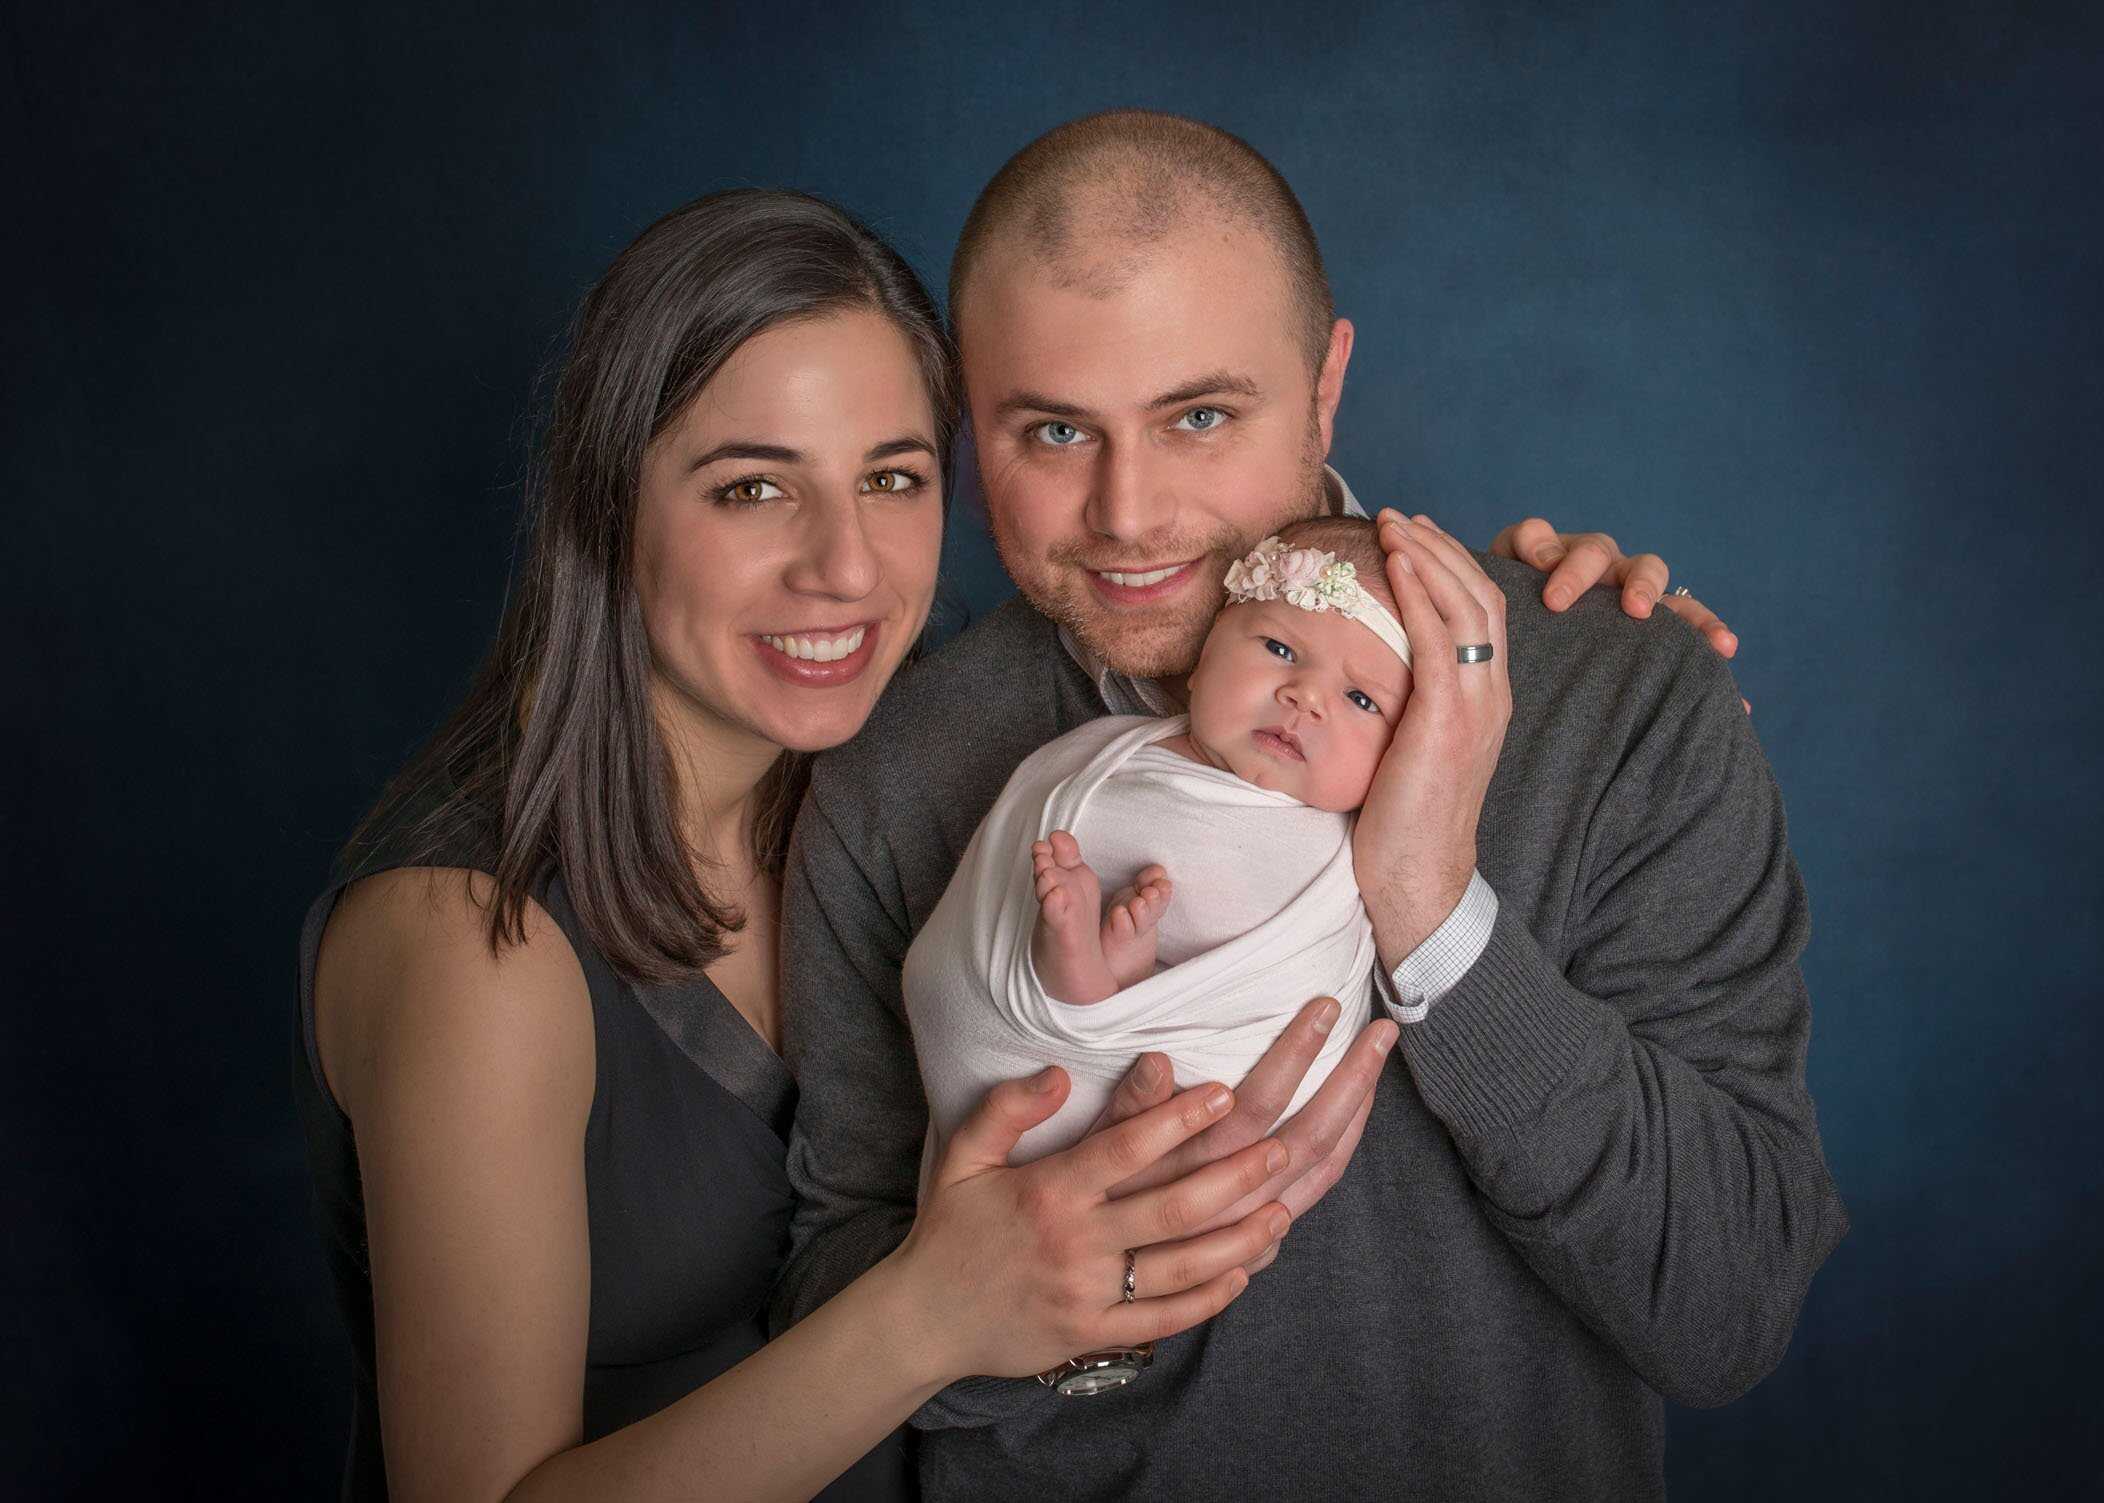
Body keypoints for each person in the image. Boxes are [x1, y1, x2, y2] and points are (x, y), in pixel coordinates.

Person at [293, 186, 1682, 1501]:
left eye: (891, 477)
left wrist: (1567, 646)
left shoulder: (874, 778)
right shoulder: (469, 940)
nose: (845, 566)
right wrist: (935, 1312)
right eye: (751, 489)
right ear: (608, 500)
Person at [777, 111, 1850, 1501]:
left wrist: (1437, 915)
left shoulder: (1611, 690)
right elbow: (837, 1309)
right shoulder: (898, 768)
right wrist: (1049, 1317)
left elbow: (1730, 1305)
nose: (1127, 512)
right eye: (1052, 430)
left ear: (1326, 385)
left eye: (1200, 416)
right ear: (968, 422)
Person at [908, 518, 1412, 1168]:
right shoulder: (1101, 754)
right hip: (1004, 1088)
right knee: (1101, 901)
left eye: (1361, 699)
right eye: (1280, 649)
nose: (1305, 697)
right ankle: (1096, 971)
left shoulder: (1347, 845)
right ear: (1204, 657)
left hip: (1211, 1102)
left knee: (1139, 917)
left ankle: (1101, 971)